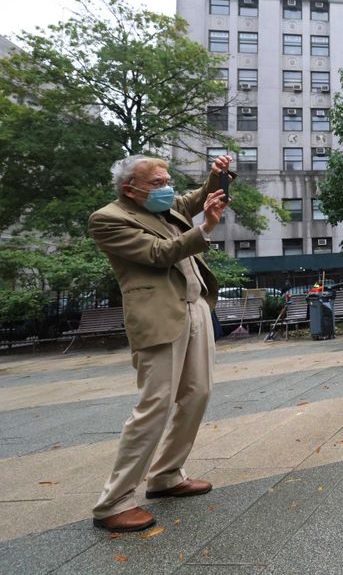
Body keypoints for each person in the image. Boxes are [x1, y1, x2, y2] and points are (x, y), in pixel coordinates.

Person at [88, 154, 232, 531]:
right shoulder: (108, 219)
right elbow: (157, 255)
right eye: (156, 183)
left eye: (167, 180)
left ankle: (166, 476)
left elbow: (201, 196)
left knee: (198, 393)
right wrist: (204, 230)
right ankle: (114, 501)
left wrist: (217, 178)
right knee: (155, 404)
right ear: (129, 189)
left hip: (195, 306)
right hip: (158, 315)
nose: (166, 188)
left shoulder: (165, 208)